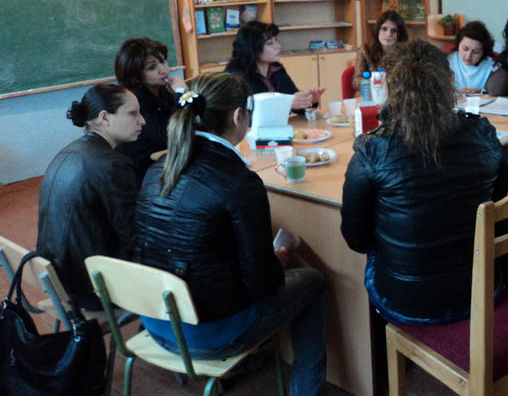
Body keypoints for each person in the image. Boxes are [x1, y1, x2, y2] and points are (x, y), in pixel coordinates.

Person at [135, 72, 327, 394]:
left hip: (156, 320)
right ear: (239, 116)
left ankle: (255, 358)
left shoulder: (156, 169)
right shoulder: (238, 181)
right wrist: (279, 260)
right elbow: (263, 284)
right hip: (209, 334)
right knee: (313, 281)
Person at [341, 40, 508, 324]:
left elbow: (356, 240)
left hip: (407, 302)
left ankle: (382, 349)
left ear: (391, 87)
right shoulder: (483, 134)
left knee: (377, 252)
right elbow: (499, 206)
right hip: (480, 289)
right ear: (449, 82)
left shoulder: (373, 151)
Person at [37, 83, 143, 309]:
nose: (142, 121)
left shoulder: (66, 152)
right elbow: (133, 233)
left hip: (59, 280)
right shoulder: (113, 164)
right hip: (93, 288)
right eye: (133, 113)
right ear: (105, 117)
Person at [115, 36, 186, 185]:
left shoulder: (162, 90)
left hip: (164, 165)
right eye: (152, 67)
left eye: (163, 61)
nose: (163, 70)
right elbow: (168, 135)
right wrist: (181, 94)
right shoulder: (134, 99)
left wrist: (179, 96)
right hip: (142, 174)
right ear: (136, 74)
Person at [225, 21, 325, 112]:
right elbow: (244, 117)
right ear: (252, 48)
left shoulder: (277, 70)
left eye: (276, 41)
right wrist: (285, 104)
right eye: (270, 43)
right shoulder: (235, 78)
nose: (278, 46)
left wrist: (309, 101)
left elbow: (294, 104)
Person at [352, 10, 409, 91]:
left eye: (394, 30)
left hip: (397, 95)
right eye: (384, 29)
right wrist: (378, 84)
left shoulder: (406, 51)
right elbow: (356, 81)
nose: (388, 34)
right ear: (377, 30)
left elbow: (409, 80)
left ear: (400, 34)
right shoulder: (365, 49)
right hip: (371, 94)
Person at [448, 20, 495, 94]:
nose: (468, 56)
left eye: (476, 52)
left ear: (484, 52)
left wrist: (478, 91)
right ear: (458, 44)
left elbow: (490, 93)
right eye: (465, 49)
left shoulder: (490, 65)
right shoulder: (450, 60)